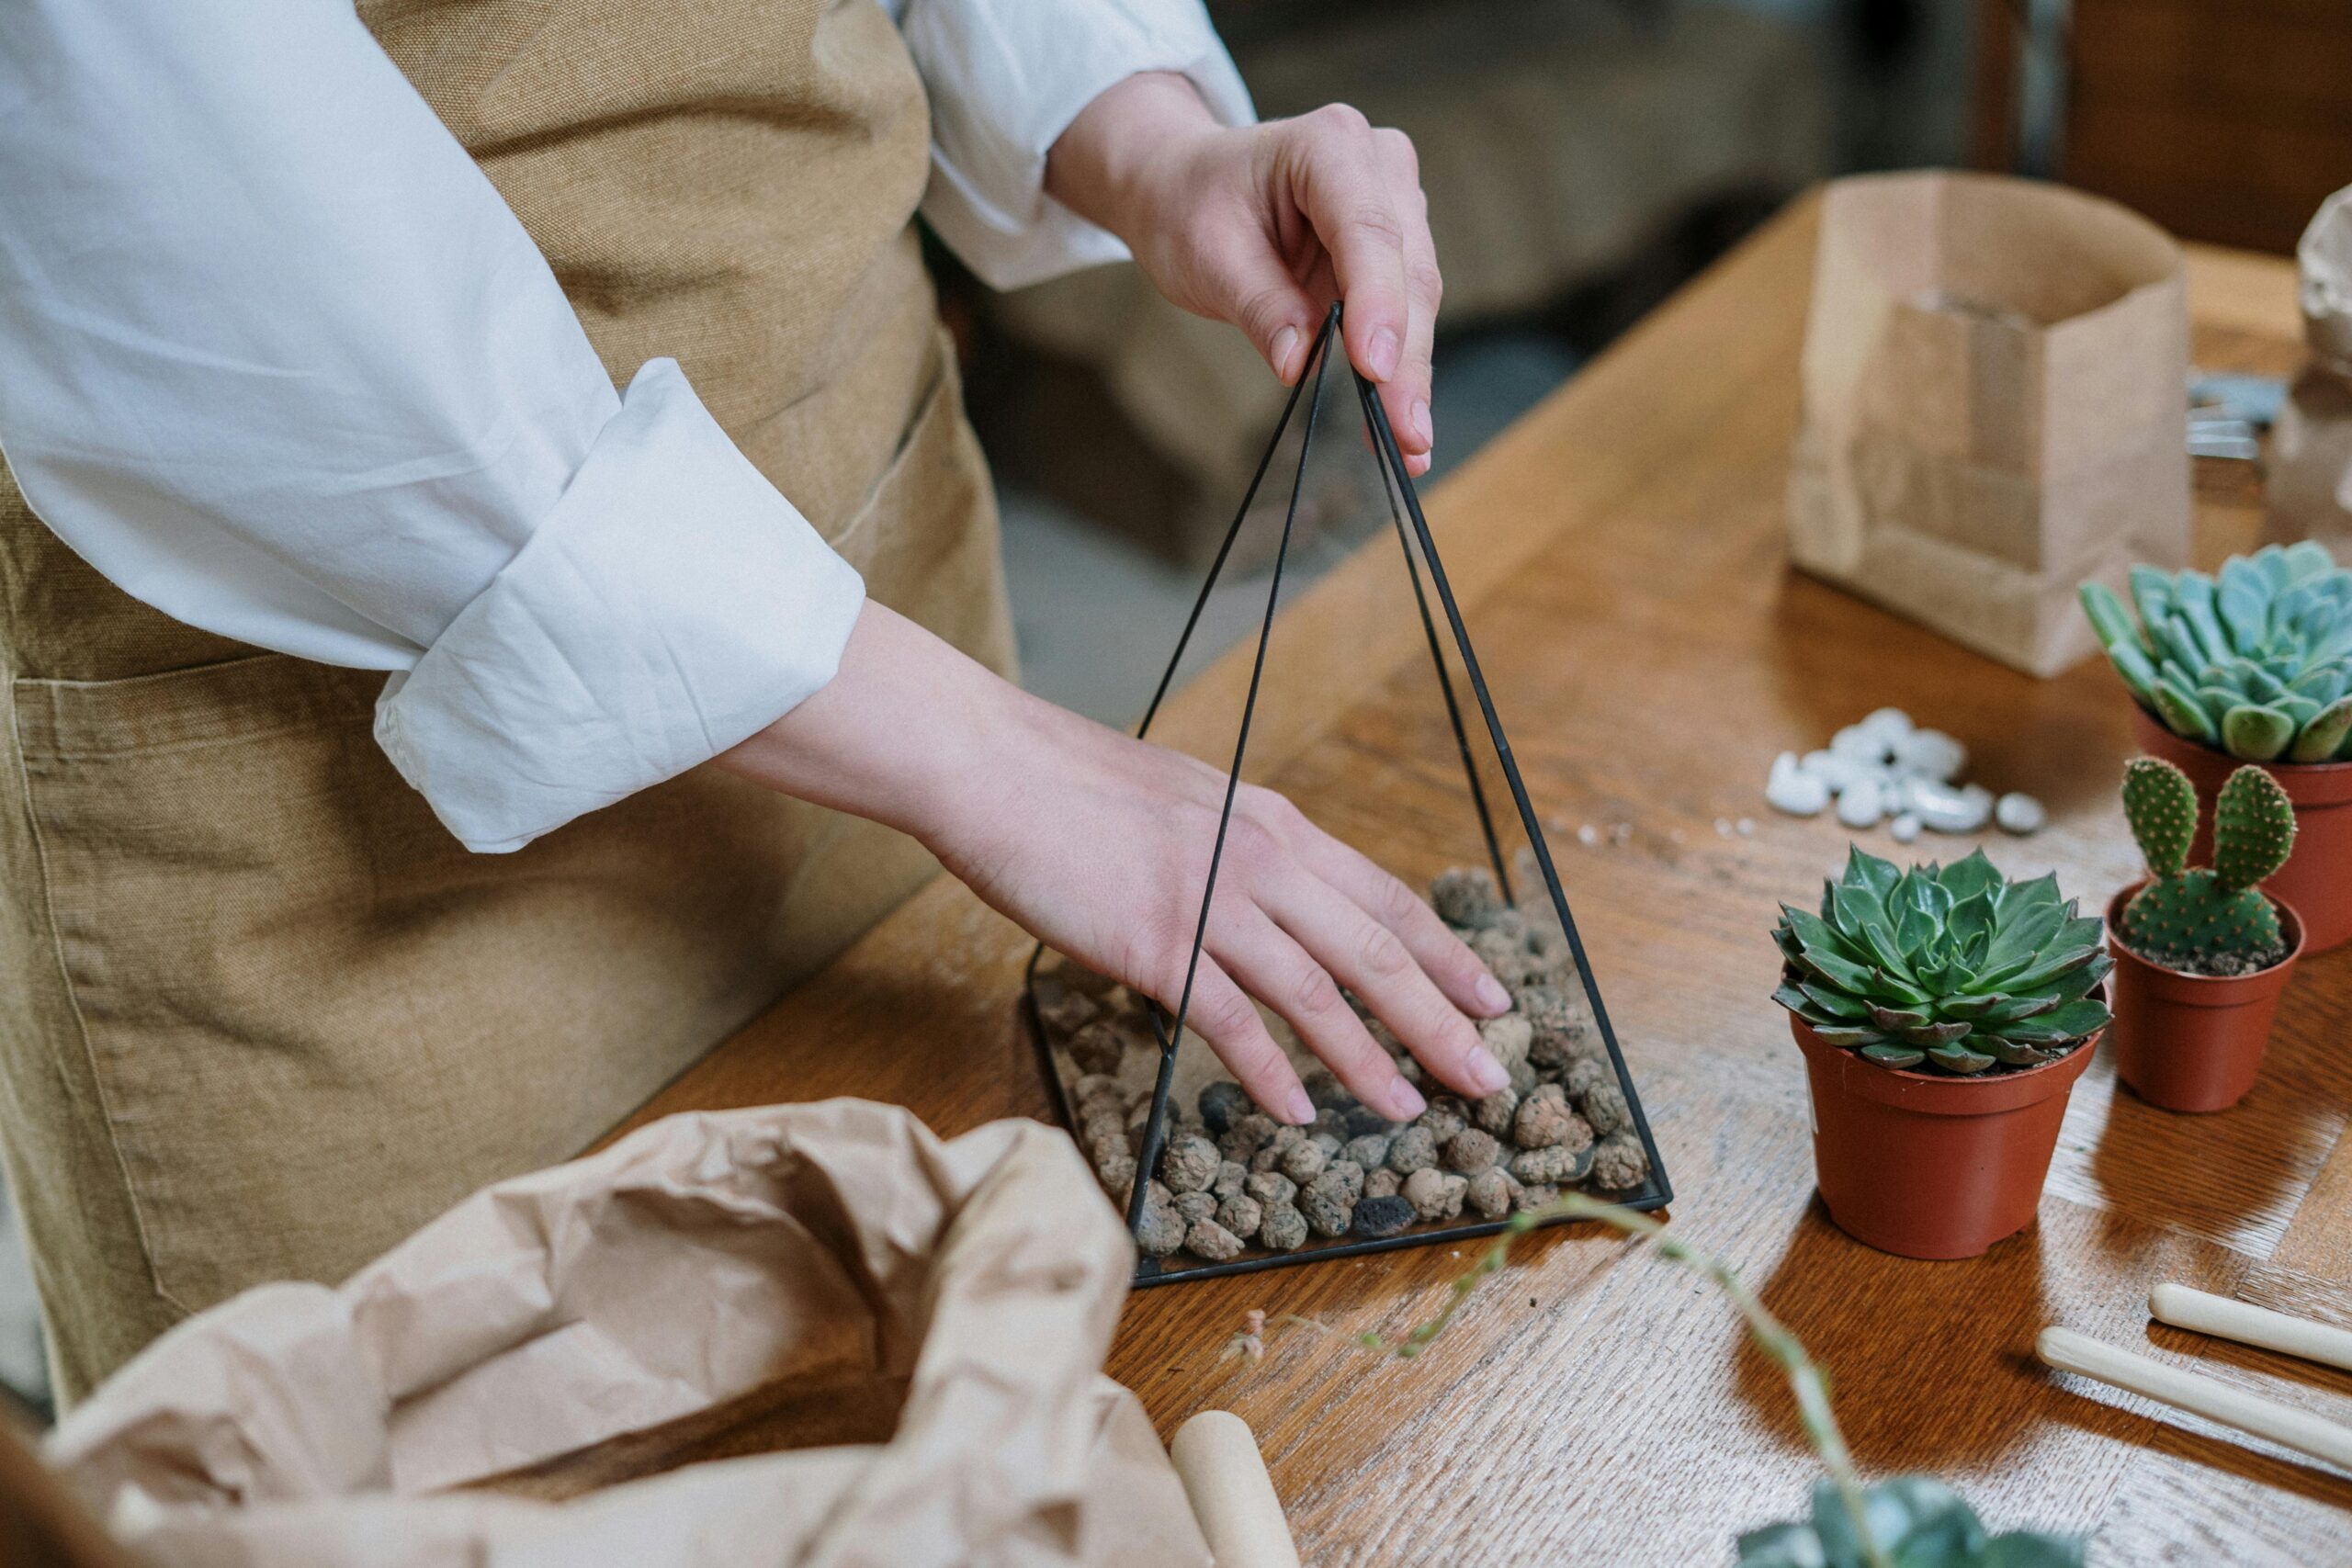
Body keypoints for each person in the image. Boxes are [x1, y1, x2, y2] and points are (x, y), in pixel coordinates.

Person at [0, 0, 1506, 1405]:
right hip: (338, 735)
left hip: (878, 567)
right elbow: (153, 167)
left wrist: (1144, 135)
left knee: (962, 1427)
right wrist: (988, 757)